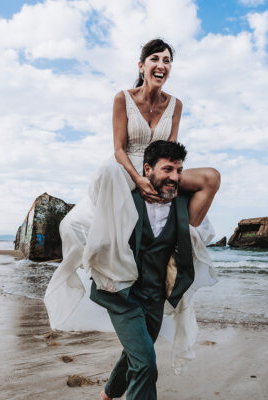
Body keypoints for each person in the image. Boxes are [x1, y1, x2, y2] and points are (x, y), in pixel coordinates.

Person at [44, 38, 219, 376]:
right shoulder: (122, 98)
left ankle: (182, 230)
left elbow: (172, 150)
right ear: (142, 66)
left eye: (167, 60)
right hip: (130, 170)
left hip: (159, 168)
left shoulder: (176, 104)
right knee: (106, 176)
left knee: (211, 177)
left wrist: (168, 180)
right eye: (155, 58)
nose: (162, 65)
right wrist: (139, 180)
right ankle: (121, 266)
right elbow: (119, 149)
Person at [93, 140, 197, 400]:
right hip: (122, 294)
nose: (175, 177)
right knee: (146, 365)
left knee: (136, 353)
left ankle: (107, 395)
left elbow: (212, 178)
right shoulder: (124, 200)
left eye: (180, 170)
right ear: (147, 169)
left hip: (154, 296)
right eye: (168, 169)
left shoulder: (183, 204)